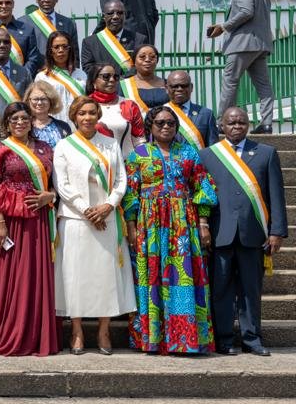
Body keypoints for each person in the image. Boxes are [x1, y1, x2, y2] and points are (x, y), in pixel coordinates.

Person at [122, 105, 218, 356]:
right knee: (150, 277)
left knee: (183, 276)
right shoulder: (137, 155)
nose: (166, 127)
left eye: (170, 123)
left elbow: (202, 187)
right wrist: (131, 227)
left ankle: (184, 338)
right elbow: (130, 195)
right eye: (160, 123)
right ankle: (153, 338)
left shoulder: (189, 153)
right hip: (149, 225)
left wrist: (203, 223)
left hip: (183, 224)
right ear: (150, 127)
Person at [199, 107, 288, 356]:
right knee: (221, 290)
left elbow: (276, 196)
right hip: (220, 235)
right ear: (222, 127)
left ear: (248, 125)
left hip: (254, 234)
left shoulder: (266, 153)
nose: (237, 126)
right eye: (231, 123)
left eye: (241, 122)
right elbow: (202, 195)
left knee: (251, 290)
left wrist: (277, 231)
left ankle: (252, 339)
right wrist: (202, 225)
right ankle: (224, 339)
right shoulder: (208, 155)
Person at [54, 97, 135, 355]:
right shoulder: (64, 145)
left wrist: (109, 205)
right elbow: (61, 184)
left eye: (91, 113)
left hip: (107, 217)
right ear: (74, 117)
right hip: (76, 218)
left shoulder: (110, 144)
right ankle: (76, 330)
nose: (87, 118)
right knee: (75, 275)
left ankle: (104, 329)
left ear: (98, 116)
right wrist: (86, 210)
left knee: (105, 275)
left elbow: (121, 180)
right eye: (82, 113)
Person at [0, 103, 58, 357]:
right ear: (7, 123)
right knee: (12, 278)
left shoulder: (45, 148)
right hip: (11, 222)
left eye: (24, 118)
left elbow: (55, 186)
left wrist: (49, 196)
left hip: (38, 221)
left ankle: (37, 336)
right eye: (14, 119)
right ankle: (10, 333)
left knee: (36, 278)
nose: (20, 123)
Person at [209, 0, 275, 134]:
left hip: (242, 44)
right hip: (261, 44)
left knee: (230, 82)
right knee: (264, 86)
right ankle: (267, 123)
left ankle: (221, 123)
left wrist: (224, 26)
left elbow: (246, 12)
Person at [87, 63, 145, 156]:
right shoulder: (84, 106)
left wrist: (145, 161)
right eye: (106, 76)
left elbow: (139, 140)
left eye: (116, 77)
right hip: (97, 166)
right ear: (94, 82)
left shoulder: (129, 105)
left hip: (127, 166)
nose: (112, 80)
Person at [0, 28, 33, 116]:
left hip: (18, 126)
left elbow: (30, 102)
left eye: (6, 42)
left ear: (11, 46)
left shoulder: (24, 73)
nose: (2, 45)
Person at [81, 0, 145, 75]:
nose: (115, 17)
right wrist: (110, 79)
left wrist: (123, 82)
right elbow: (88, 69)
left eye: (120, 13)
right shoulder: (90, 42)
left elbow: (141, 66)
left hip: (129, 85)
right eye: (110, 13)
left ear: (125, 16)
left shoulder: (139, 39)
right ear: (104, 16)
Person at [34, 31, 88, 115]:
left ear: (70, 49)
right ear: (50, 51)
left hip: (78, 123)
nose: (61, 50)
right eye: (56, 47)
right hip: (54, 123)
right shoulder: (42, 77)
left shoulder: (81, 74)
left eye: (64, 46)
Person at [164, 70, 218, 150]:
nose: (179, 89)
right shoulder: (158, 113)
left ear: (191, 87)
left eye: (184, 86)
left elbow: (212, 148)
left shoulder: (206, 114)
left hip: (198, 161)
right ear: (166, 88)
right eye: (174, 86)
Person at [118, 44, 167, 114]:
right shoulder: (123, 86)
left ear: (157, 61)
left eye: (152, 57)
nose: (147, 60)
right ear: (134, 61)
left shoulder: (167, 84)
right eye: (142, 57)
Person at [25, 82, 71, 148]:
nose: (39, 103)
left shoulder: (63, 126)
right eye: (35, 99)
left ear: (51, 101)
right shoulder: (23, 126)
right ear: (28, 101)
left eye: (43, 99)